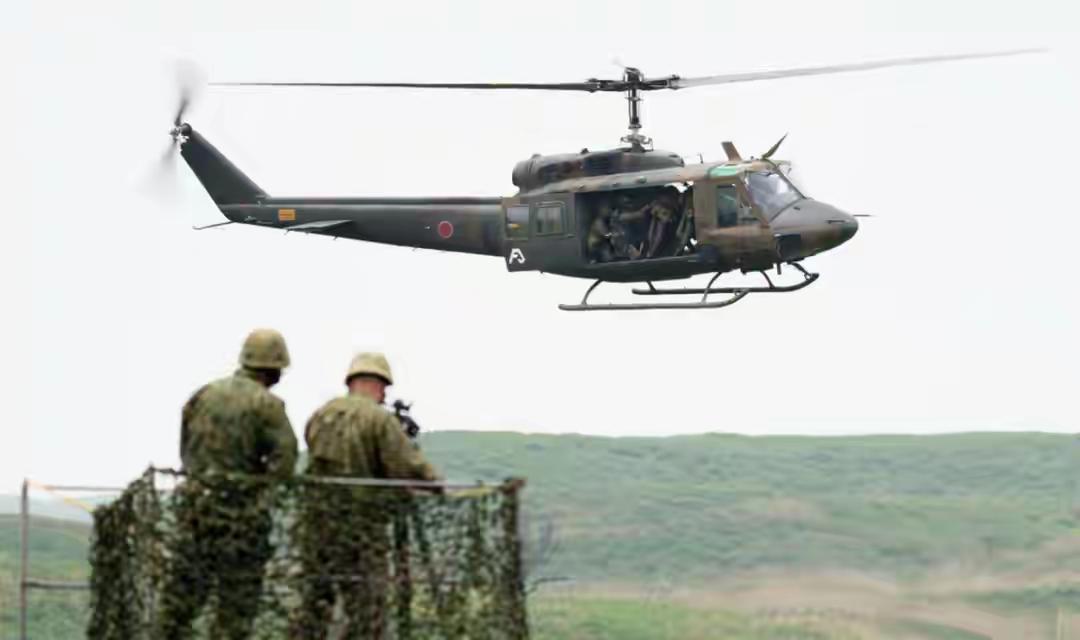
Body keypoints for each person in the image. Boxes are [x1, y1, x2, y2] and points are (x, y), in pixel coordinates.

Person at [157, 328, 299, 640]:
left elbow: (186, 448)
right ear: (274, 368)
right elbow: (285, 461)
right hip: (241, 524)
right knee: (234, 613)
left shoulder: (202, 395)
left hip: (194, 514)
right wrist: (261, 488)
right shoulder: (267, 404)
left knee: (178, 606)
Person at [291, 352, 441, 639]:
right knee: (366, 609)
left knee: (314, 604)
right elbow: (407, 466)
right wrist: (437, 484)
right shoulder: (379, 419)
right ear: (380, 384)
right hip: (361, 531)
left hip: (317, 526)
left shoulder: (320, 415)